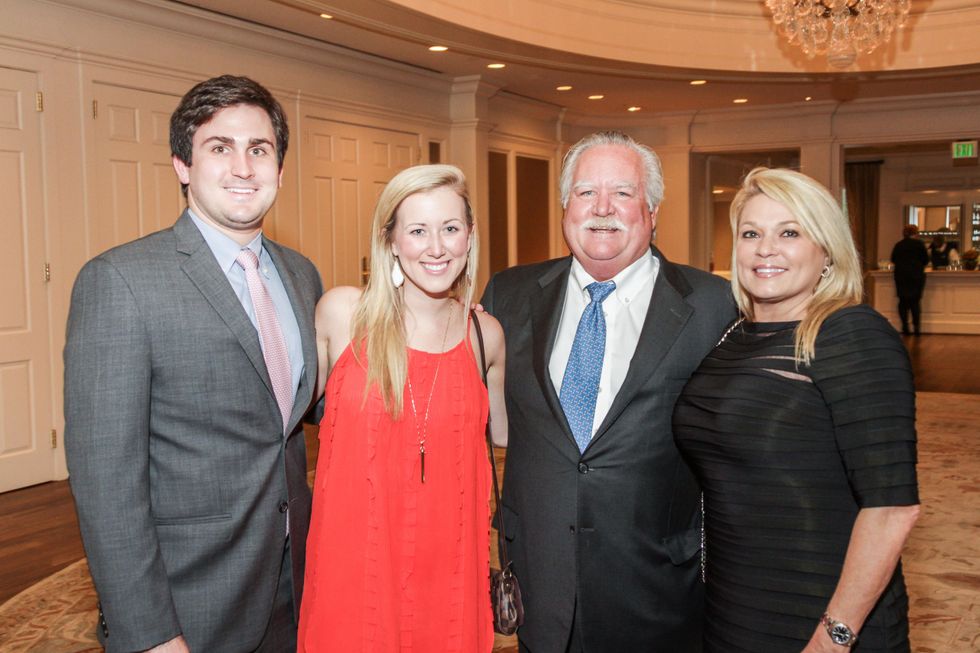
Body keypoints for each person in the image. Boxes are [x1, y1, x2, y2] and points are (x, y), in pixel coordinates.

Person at [64, 75, 323, 653]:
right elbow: (106, 483)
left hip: (295, 582)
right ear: (183, 164)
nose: (243, 167)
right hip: (190, 599)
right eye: (220, 147)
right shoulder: (120, 281)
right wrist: (149, 632)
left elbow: (317, 405)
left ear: (280, 169)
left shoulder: (302, 275)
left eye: (259, 150)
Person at [480, 131, 736, 652]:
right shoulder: (507, 295)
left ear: (652, 210)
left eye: (622, 192)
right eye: (585, 192)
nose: (602, 208)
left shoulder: (715, 306)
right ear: (565, 206)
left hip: (658, 587)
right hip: (539, 581)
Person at [673, 167, 920, 652]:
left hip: (821, 614)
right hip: (733, 608)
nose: (766, 249)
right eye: (751, 234)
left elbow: (892, 509)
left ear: (826, 250)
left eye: (789, 233)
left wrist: (834, 638)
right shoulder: (732, 336)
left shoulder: (851, 334)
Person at [297, 164, 507, 652]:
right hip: (356, 571)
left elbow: (509, 433)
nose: (436, 247)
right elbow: (279, 416)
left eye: (450, 228)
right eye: (417, 231)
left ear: (470, 235)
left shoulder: (485, 336)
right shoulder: (343, 315)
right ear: (390, 240)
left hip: (449, 574)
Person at [891, 224, 929, 335]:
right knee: (915, 302)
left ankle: (905, 326)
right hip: (916, 277)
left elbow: (893, 259)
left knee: (903, 302)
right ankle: (916, 327)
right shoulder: (919, 245)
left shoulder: (899, 245)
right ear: (915, 233)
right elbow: (926, 260)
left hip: (901, 276)